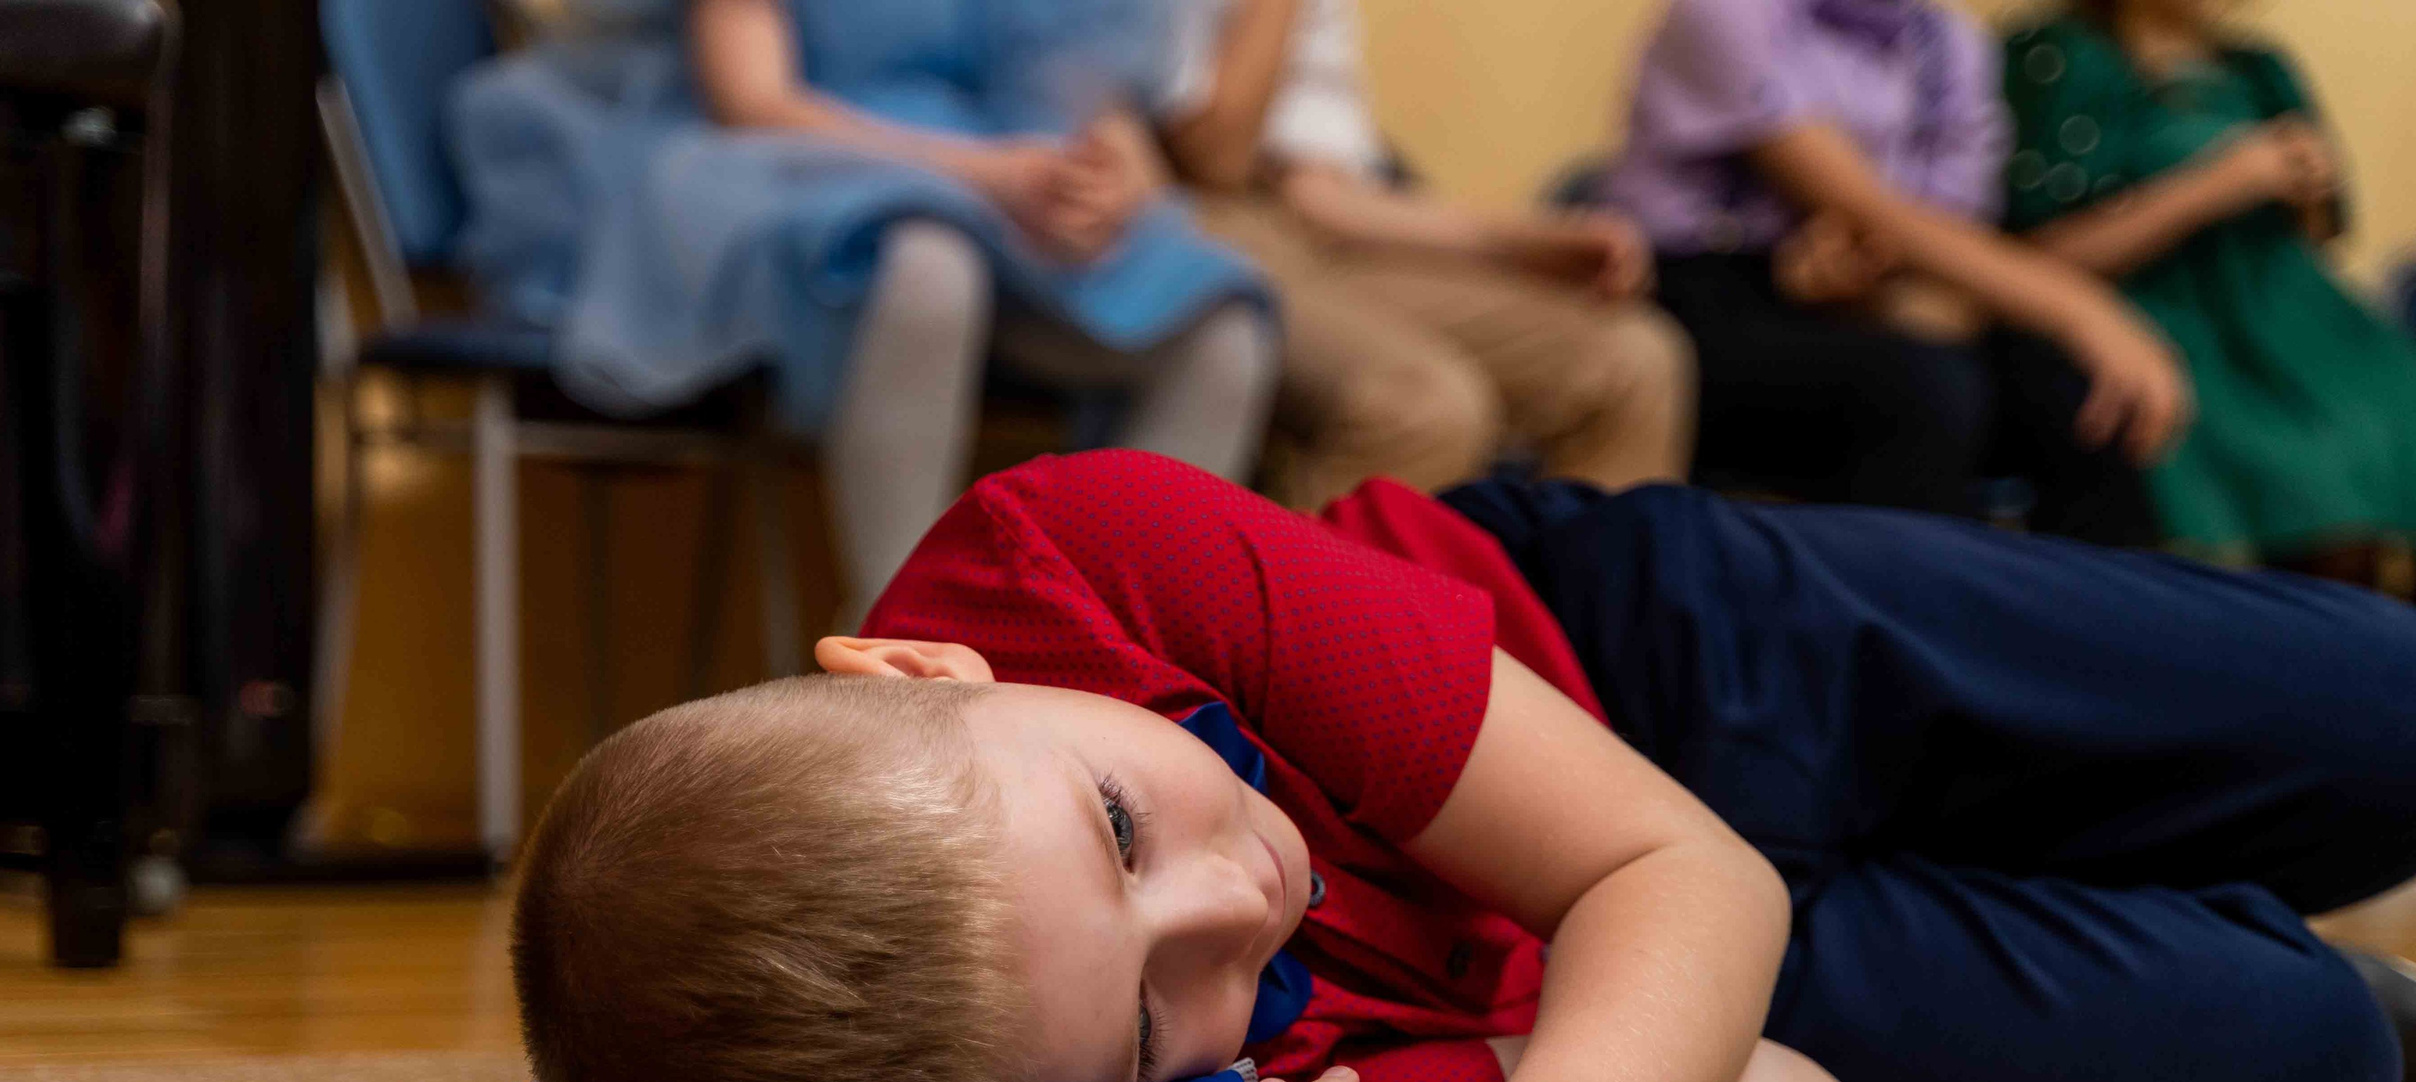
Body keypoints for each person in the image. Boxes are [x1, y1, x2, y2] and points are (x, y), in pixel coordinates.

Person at [510, 450, 2416, 1082]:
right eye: (1163, 1003)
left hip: (1666, 678)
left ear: (927, 673)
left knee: (2373, 710)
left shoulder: (1089, 551)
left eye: (1117, 828)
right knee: (2303, 1072)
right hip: (1684, 963)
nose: (1239, 903)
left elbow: (1679, 862)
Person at [450, 0, 1276, 625]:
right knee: (928, 264)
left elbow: (1085, 99)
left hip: (1006, 183)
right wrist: (986, 175)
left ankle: (1113, 654)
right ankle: (901, 648)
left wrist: (1112, 180)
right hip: (793, 167)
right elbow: (751, 101)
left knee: (1222, 328)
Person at [1605, 0, 2190, 543]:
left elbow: (1942, 234)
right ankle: (1912, 637)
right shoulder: (1728, 14)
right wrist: (2081, 310)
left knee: (2077, 398)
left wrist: (1878, 283)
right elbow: (1866, 207)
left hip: (1879, 284)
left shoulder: (1951, 42)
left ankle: (2099, 637)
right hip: (1697, 294)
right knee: (1921, 391)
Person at [1153, 0, 1695, 510]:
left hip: (1306, 226)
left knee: (1633, 360)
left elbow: (1319, 196)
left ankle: (1553, 611)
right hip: (1171, 215)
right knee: (1423, 408)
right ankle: (1314, 609)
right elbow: (1214, 158)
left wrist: (1522, 242)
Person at [2004, 3, 2416, 592]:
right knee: (2314, 484)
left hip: (2301, 327)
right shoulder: (2062, 58)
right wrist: (2218, 184)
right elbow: (2033, 258)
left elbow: (2325, 231)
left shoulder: (2257, 67)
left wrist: (2307, 184)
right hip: (2173, 331)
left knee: (2390, 416)